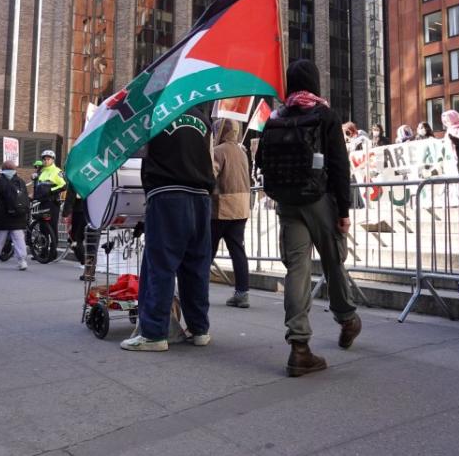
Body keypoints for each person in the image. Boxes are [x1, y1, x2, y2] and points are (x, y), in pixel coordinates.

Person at [257, 59, 360, 377]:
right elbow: (340, 167)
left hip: (287, 203)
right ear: (315, 83)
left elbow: (261, 159)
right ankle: (347, 318)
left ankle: (299, 348)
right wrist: (343, 211)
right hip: (320, 201)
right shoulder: (325, 115)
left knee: (296, 270)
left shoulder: (275, 117)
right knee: (332, 262)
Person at [120, 104, 216, 352]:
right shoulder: (201, 118)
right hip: (201, 196)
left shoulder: (154, 112)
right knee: (196, 266)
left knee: (160, 265)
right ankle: (199, 329)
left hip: (167, 194)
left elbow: (136, 152)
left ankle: (154, 334)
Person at [210, 119, 252, 308]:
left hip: (221, 207)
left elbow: (210, 176)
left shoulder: (218, 151)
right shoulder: (242, 152)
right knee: (237, 250)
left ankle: (199, 291)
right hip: (241, 207)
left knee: (207, 251)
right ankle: (242, 293)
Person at [0, 160, 29, 270]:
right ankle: (22, 261)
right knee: (19, 240)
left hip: (3, 216)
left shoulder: (0, 181)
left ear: (2, 169)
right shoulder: (20, 181)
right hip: (18, 216)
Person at [33, 150, 66, 259]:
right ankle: (43, 251)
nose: (46, 161)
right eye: (44, 159)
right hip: (42, 202)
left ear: (53, 160)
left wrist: (51, 190)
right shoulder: (42, 172)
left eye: (48, 159)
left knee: (52, 227)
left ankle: (53, 252)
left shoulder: (57, 171)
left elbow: (64, 185)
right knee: (43, 228)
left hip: (52, 203)